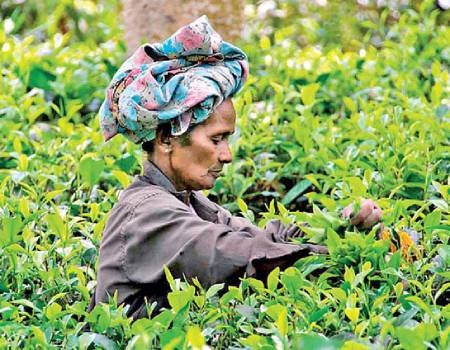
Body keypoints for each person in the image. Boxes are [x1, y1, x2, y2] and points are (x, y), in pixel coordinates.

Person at [91, 16, 382, 319]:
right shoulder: (146, 213)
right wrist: (333, 254)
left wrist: (341, 225)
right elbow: (235, 254)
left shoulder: (188, 202)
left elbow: (262, 237)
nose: (227, 155)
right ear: (166, 138)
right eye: (216, 139)